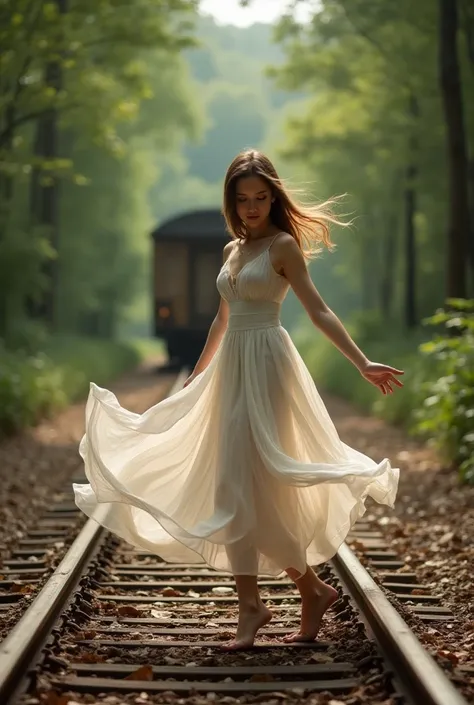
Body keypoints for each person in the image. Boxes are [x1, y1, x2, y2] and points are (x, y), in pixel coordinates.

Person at [73, 149, 403, 652]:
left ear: (273, 197)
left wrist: (362, 363)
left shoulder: (283, 246)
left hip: (268, 367)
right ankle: (298, 593)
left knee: (257, 481)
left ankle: (274, 601)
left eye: (261, 198)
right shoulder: (233, 250)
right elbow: (221, 321)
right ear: (232, 201)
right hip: (231, 369)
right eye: (243, 199)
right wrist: (198, 376)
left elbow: (319, 311)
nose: (251, 207)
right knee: (234, 484)